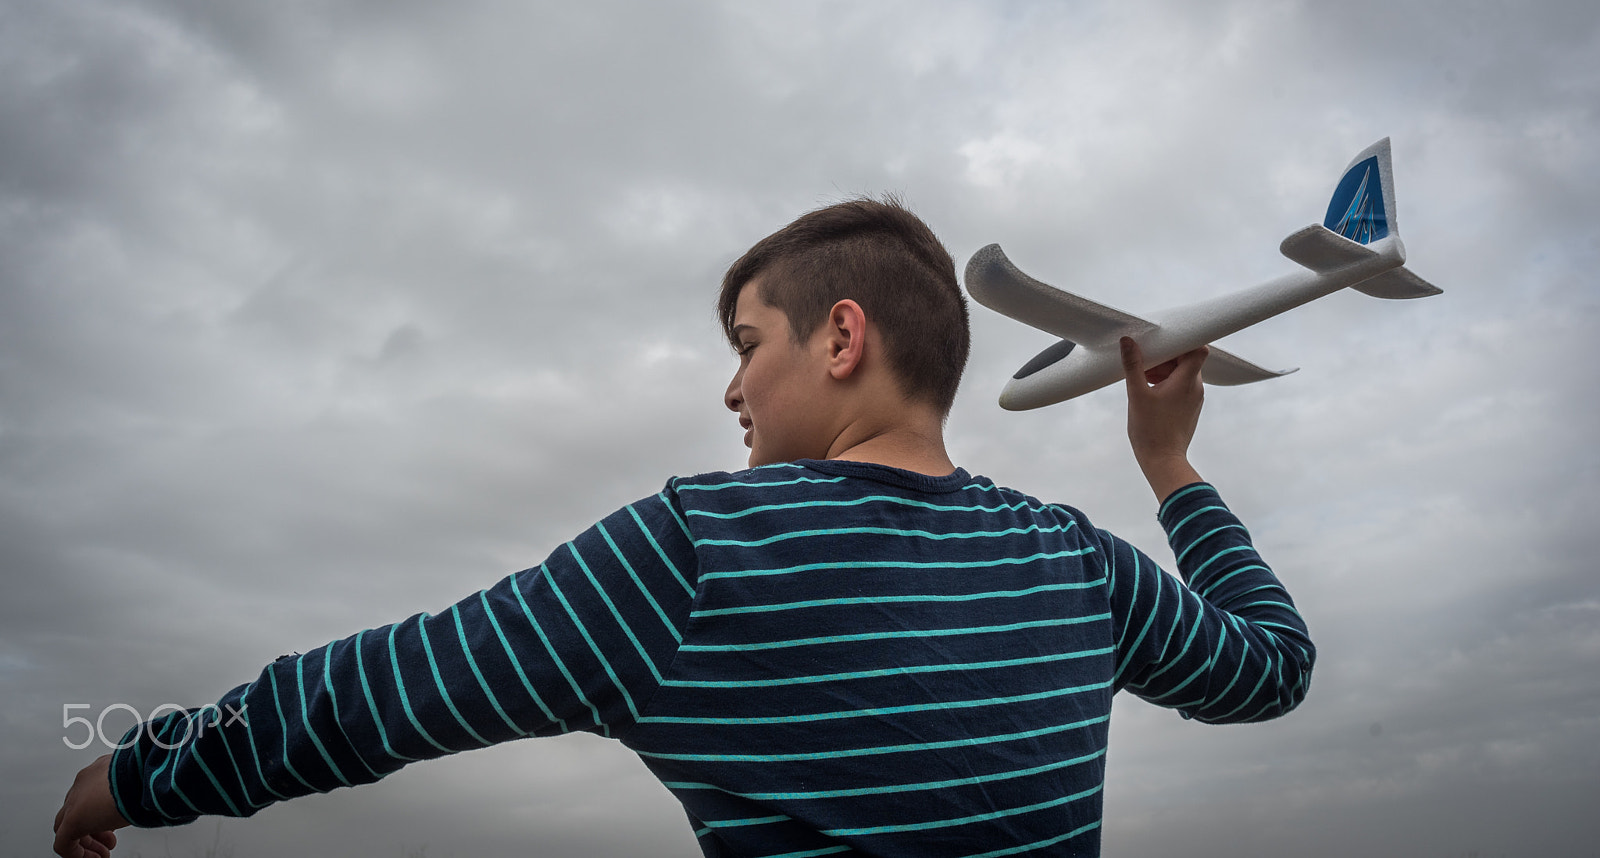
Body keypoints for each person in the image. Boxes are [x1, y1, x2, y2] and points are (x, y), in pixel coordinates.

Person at [54, 198, 1314, 858]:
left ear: (839, 337)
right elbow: (1272, 669)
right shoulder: (1080, 565)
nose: (729, 390)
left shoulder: (698, 551)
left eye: (745, 346)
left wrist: (134, 766)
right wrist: (1171, 466)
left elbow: (372, 693)